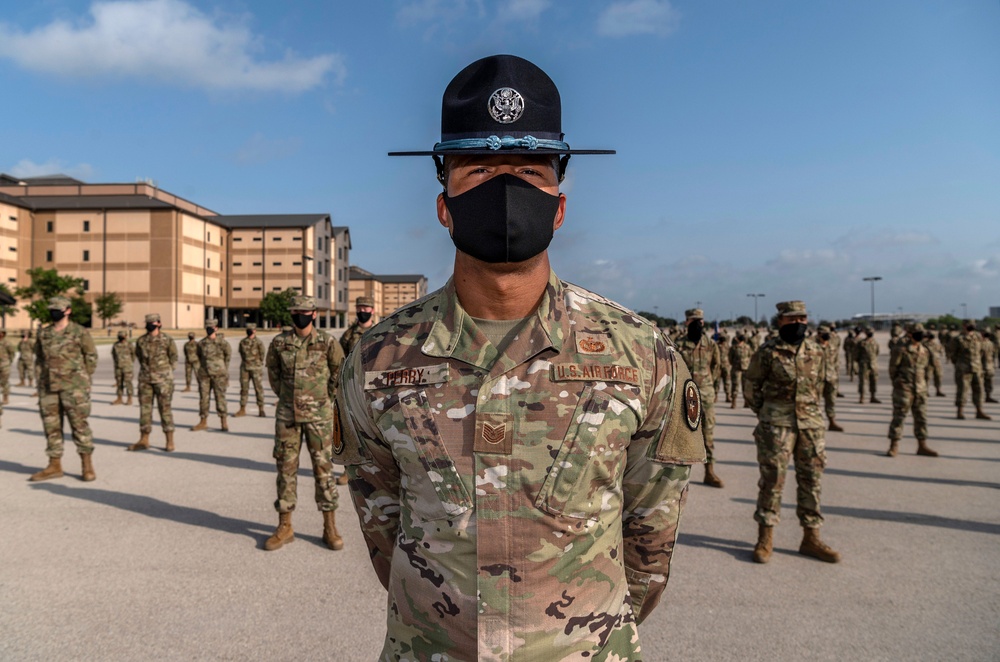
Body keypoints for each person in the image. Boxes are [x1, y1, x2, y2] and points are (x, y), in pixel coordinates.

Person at [337, 54, 704, 660]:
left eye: (531, 173)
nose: (505, 191)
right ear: (443, 206)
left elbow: (650, 540)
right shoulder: (377, 358)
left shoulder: (642, 354)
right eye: (477, 169)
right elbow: (383, 524)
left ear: (559, 207)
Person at [745, 300, 839, 564]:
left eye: (802, 319)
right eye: (792, 319)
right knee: (772, 481)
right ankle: (765, 538)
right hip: (777, 425)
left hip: (810, 425)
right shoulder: (768, 351)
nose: (798, 323)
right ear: (780, 322)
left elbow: (821, 384)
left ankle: (811, 537)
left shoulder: (816, 351)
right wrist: (767, 413)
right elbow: (751, 385)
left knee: (812, 481)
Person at [263, 295, 345, 551]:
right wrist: (288, 398)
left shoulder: (328, 342)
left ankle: (329, 526)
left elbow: (338, 373)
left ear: (313, 314)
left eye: (304, 311)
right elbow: (274, 376)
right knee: (285, 471)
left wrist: (323, 400)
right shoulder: (279, 343)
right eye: (295, 311)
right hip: (287, 417)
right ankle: (285, 525)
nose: (299, 315)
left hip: (319, 418)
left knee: (324, 472)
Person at [29, 297, 98, 482]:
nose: (53, 312)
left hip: (74, 387)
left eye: (57, 309)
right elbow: (39, 359)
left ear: (67, 310)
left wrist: (83, 380)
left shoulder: (79, 331)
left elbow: (91, 356)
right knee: (51, 427)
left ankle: (87, 465)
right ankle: (54, 465)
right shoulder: (44, 333)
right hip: (48, 387)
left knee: (79, 425)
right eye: (51, 309)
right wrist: (39, 381)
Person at [677, 308, 725, 487]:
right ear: (686, 322)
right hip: (683, 395)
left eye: (700, 320)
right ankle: (679, 477)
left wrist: (710, 387)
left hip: (705, 394)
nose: (698, 323)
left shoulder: (710, 344)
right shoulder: (678, 344)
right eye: (693, 320)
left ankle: (709, 472)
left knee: (708, 434)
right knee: (682, 436)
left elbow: (716, 367)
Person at [128, 313, 178, 452]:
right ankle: (144, 439)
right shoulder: (141, 341)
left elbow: (173, 357)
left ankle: (169, 440)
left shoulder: (167, 339)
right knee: (145, 410)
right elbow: (139, 356)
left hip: (163, 380)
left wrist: (167, 373)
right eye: (148, 322)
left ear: (159, 324)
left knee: (165, 409)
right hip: (145, 379)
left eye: (153, 322)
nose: (150, 325)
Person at [887, 323, 937, 457]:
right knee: (899, 417)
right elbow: (893, 369)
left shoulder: (924, 350)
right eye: (917, 332)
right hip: (904, 388)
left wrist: (924, 385)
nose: (920, 335)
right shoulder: (900, 349)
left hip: (920, 389)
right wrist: (899, 384)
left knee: (921, 417)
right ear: (909, 334)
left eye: (921, 332)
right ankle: (894, 445)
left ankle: (922, 445)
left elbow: (926, 369)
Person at [192, 318, 230, 431]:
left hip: (219, 375)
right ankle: (203, 421)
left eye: (212, 327)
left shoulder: (223, 342)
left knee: (220, 398)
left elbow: (228, 356)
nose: (209, 329)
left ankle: (223, 421)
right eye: (207, 327)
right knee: (204, 398)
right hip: (204, 375)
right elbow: (198, 357)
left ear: (216, 328)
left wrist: (223, 369)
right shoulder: (201, 343)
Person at [950, 320, 990, 420]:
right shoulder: (958, 339)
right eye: (968, 325)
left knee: (979, 390)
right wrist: (960, 364)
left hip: (977, 368)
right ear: (964, 326)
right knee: (962, 390)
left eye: (972, 325)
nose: (971, 327)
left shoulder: (978, 337)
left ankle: (979, 411)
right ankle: (960, 411)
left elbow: (981, 351)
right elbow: (953, 355)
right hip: (963, 369)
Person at [816, 325, 844, 432]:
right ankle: (817, 424)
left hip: (831, 377)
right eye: (824, 333)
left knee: (831, 401)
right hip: (818, 378)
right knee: (816, 402)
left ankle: (832, 422)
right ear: (818, 334)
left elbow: (836, 362)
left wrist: (836, 376)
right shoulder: (813, 347)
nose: (827, 335)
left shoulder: (832, 346)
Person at [236, 323, 265, 418]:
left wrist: (258, 363)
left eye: (251, 329)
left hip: (256, 368)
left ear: (255, 330)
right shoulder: (242, 342)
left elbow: (262, 354)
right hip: (245, 368)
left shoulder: (259, 342)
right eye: (248, 329)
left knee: (258, 389)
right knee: (244, 389)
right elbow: (241, 353)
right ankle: (242, 408)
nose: (249, 331)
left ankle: (261, 409)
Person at [855, 327, 881, 403]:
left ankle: (873, 396)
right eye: (869, 332)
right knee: (863, 381)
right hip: (864, 364)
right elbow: (856, 354)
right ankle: (862, 397)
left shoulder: (875, 342)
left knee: (874, 381)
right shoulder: (861, 343)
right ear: (865, 333)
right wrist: (861, 361)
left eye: (871, 332)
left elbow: (877, 352)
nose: (870, 333)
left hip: (873, 364)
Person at [110, 330, 135, 405]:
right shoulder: (115, 345)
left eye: (122, 336)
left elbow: (133, 354)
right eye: (119, 336)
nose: (121, 337)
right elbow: (114, 355)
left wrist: (129, 363)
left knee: (128, 383)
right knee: (119, 383)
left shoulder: (129, 345)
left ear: (126, 336)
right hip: (118, 367)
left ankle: (129, 398)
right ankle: (119, 398)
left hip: (127, 367)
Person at [729, 332, 752, 408]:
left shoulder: (747, 347)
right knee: (735, 386)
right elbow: (730, 358)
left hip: (745, 369)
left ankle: (746, 402)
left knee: (745, 386)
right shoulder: (733, 348)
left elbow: (750, 356)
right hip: (736, 369)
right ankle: (734, 402)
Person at [923, 329, 946, 397]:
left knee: (938, 377)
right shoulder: (924, 344)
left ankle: (938, 390)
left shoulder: (937, 344)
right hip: (928, 363)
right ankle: (926, 391)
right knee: (927, 377)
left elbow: (941, 351)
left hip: (937, 362)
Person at [981, 331, 997, 403]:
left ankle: (988, 396)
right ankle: (982, 397)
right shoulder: (981, 343)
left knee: (988, 382)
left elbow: (993, 354)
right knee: (981, 382)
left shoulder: (990, 343)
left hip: (988, 365)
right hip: (983, 365)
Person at [0, 330, 13, 404]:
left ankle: (5, 398)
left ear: (4, 334)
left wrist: (8, 362)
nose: (0, 334)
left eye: (1, 333)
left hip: (5, 365)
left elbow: (12, 353)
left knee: (4, 382)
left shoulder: (7, 343)